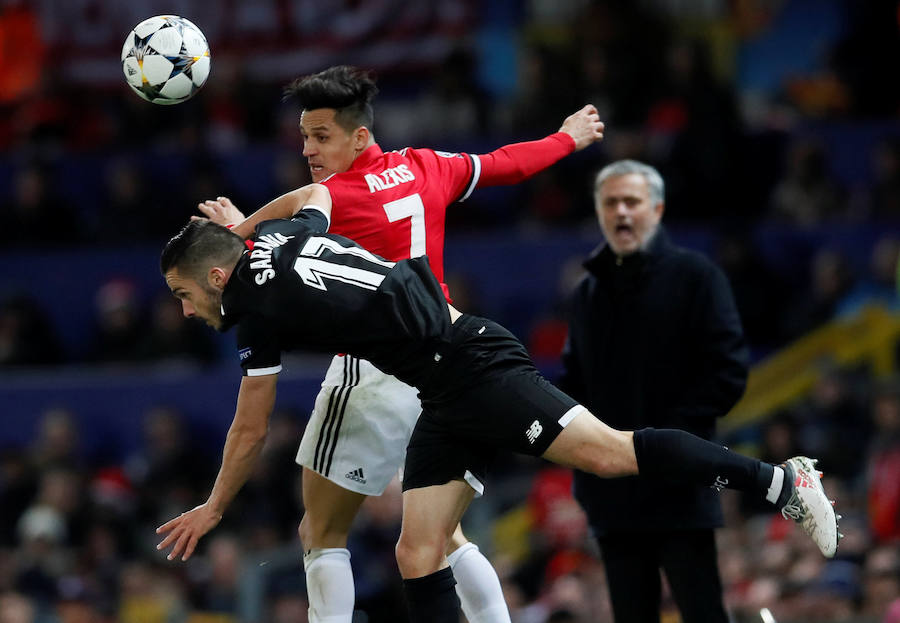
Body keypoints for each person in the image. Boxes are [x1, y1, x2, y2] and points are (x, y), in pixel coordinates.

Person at [155, 187, 840, 623]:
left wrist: (215, 507)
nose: (187, 311)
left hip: (475, 366)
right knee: (419, 551)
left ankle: (780, 480)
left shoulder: (256, 309)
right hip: (442, 386)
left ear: (219, 276)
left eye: (186, 294)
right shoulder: (273, 240)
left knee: (613, 454)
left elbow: (250, 428)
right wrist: (247, 221)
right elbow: (317, 196)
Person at [194, 64, 605, 623]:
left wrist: (238, 231)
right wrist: (566, 139)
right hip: (449, 358)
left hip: (374, 369)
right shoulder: (425, 166)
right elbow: (506, 164)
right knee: (446, 534)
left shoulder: (331, 197)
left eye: (321, 136)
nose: (309, 149)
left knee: (320, 529)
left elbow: (274, 236)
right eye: (304, 137)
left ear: (359, 135)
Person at [558, 159, 747, 622]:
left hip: (681, 486)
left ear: (657, 209)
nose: (622, 212)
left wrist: (671, 445)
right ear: (599, 211)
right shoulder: (586, 295)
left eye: (632, 202)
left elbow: (728, 372)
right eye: (610, 203)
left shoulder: (697, 277)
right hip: (611, 495)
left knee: (704, 612)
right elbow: (572, 386)